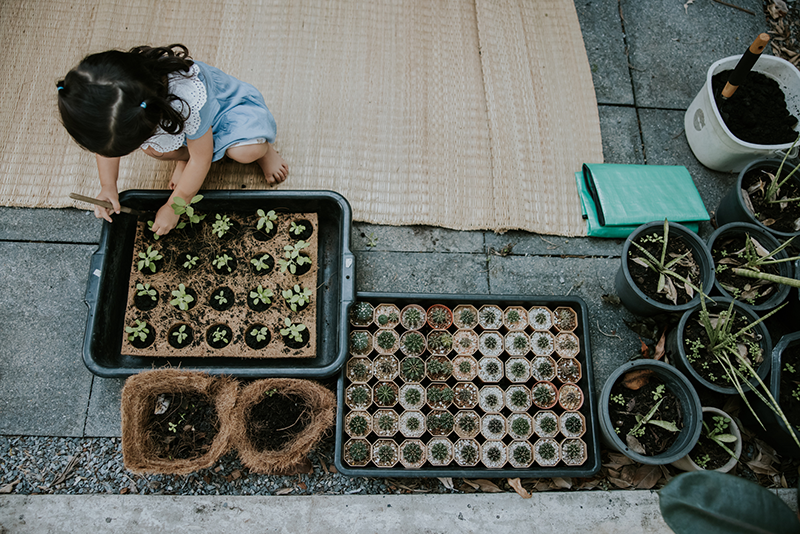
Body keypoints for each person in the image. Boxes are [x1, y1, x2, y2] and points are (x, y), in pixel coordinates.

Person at [57, 44, 288, 235]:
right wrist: (108, 186)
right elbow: (107, 148)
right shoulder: (128, 101)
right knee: (154, 150)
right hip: (187, 127)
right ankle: (187, 151)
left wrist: (175, 207)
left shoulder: (185, 97)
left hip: (228, 112)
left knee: (245, 152)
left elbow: (202, 160)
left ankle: (265, 150)